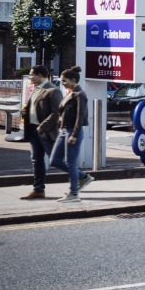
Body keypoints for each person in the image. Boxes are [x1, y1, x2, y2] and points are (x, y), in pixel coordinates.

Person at [49, 66, 91, 201]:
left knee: (71, 163)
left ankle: (74, 194)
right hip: (64, 131)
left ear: (73, 80)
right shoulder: (70, 92)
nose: (63, 84)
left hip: (73, 131)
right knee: (54, 160)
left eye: (64, 81)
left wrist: (74, 134)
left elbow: (80, 116)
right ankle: (83, 177)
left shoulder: (80, 94)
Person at [21, 67, 62, 201]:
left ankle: (81, 177)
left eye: (31, 75)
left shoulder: (53, 90)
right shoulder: (36, 88)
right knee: (36, 160)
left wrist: (43, 126)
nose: (29, 77)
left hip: (45, 131)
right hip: (32, 130)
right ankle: (38, 190)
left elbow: (56, 113)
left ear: (40, 75)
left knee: (55, 160)